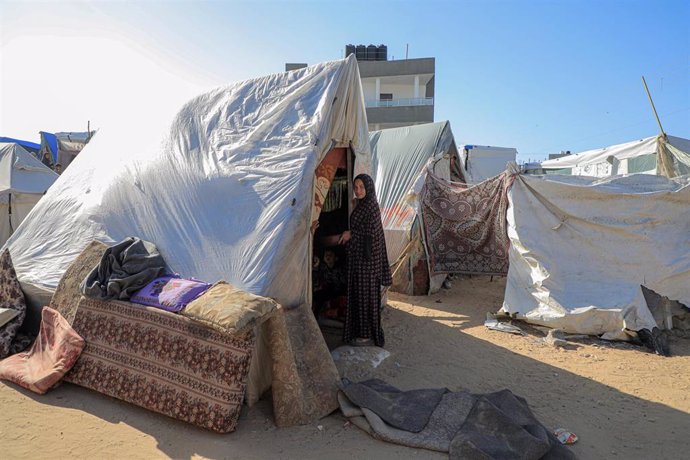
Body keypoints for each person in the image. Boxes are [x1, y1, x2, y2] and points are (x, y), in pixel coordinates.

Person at [339, 174, 392, 347]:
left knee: (365, 298)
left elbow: (371, 234)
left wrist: (351, 234)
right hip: (360, 261)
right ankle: (360, 331)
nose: (358, 190)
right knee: (359, 296)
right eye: (356, 187)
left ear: (368, 188)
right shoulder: (362, 205)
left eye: (362, 187)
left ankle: (366, 334)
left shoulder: (371, 207)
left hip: (368, 263)